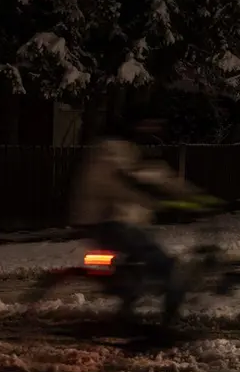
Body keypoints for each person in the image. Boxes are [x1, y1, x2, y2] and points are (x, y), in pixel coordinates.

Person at [66, 108, 222, 327]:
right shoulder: (111, 151)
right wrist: (157, 199)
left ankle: (128, 312)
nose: (154, 131)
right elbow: (131, 181)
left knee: (141, 272)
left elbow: (159, 177)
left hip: (122, 222)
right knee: (167, 268)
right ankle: (166, 326)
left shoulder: (127, 151)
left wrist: (198, 197)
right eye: (149, 125)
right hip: (107, 222)